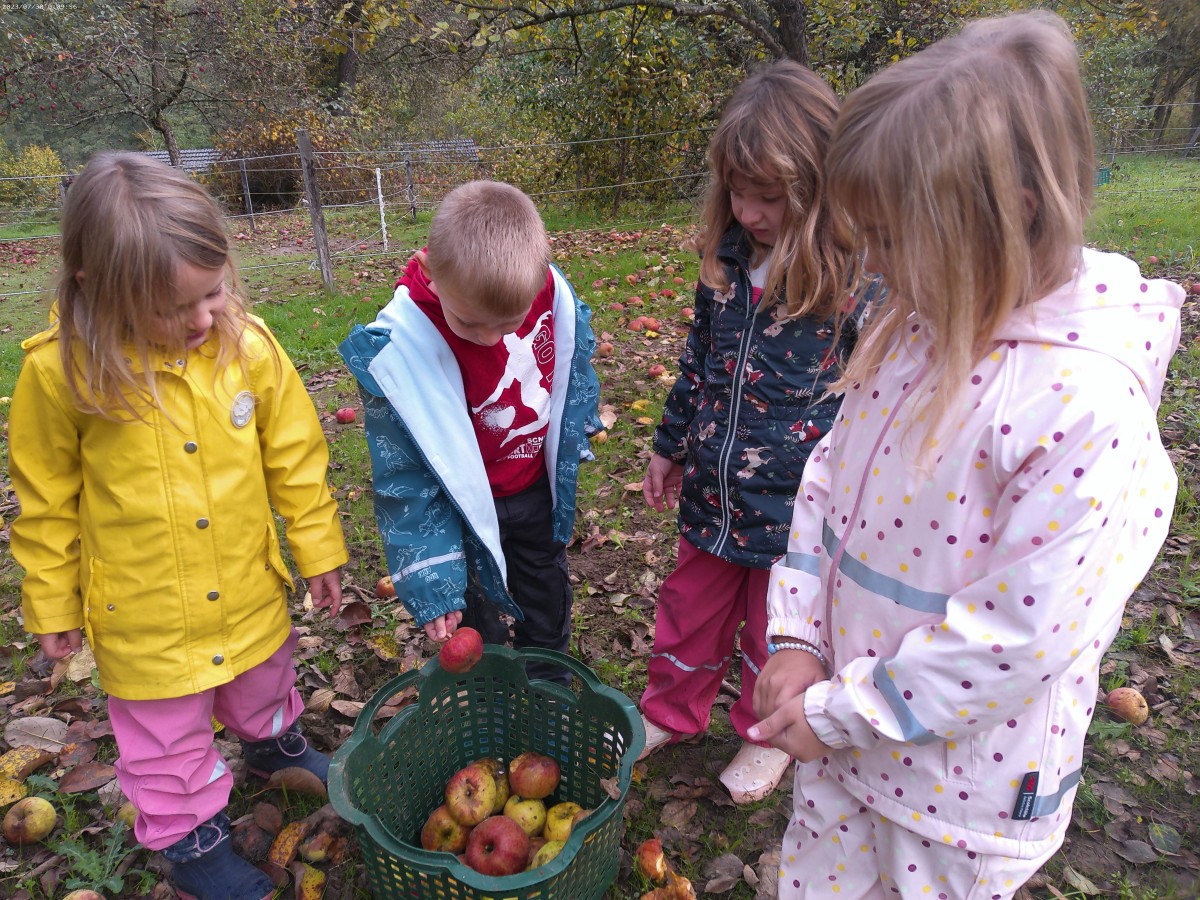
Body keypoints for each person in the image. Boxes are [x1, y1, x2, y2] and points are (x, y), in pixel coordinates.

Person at [750, 12, 1184, 898]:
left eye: (891, 237)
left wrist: (841, 712)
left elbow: (1016, 638)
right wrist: (797, 636)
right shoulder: (919, 325)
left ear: (1006, 218)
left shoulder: (1083, 412)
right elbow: (828, 477)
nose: (871, 261)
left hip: (955, 798)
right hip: (845, 745)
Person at [9, 153, 349, 900]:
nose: (203, 318)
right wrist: (54, 604)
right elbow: (47, 501)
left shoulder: (245, 344)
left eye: (214, 292)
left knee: (265, 672)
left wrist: (318, 545)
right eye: (174, 308)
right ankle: (191, 838)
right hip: (144, 610)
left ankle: (270, 745)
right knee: (165, 736)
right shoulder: (61, 374)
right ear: (100, 292)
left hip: (244, 583)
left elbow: (293, 453)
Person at [638, 60, 870, 805]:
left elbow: (877, 394)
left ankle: (762, 734)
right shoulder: (727, 263)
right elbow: (698, 363)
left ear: (815, 187)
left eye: (767, 196)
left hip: (795, 511)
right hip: (713, 491)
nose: (747, 210)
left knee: (775, 633)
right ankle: (670, 712)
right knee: (687, 609)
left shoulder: (851, 282)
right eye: (735, 191)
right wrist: (669, 445)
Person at [339, 180, 601, 684]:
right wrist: (434, 583)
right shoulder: (400, 350)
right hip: (460, 506)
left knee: (545, 590)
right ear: (432, 273)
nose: (489, 340)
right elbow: (406, 479)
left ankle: (548, 685)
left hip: (530, 487)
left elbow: (571, 364)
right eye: (470, 323)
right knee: (473, 613)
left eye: (508, 326)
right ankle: (490, 693)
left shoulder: (550, 296)